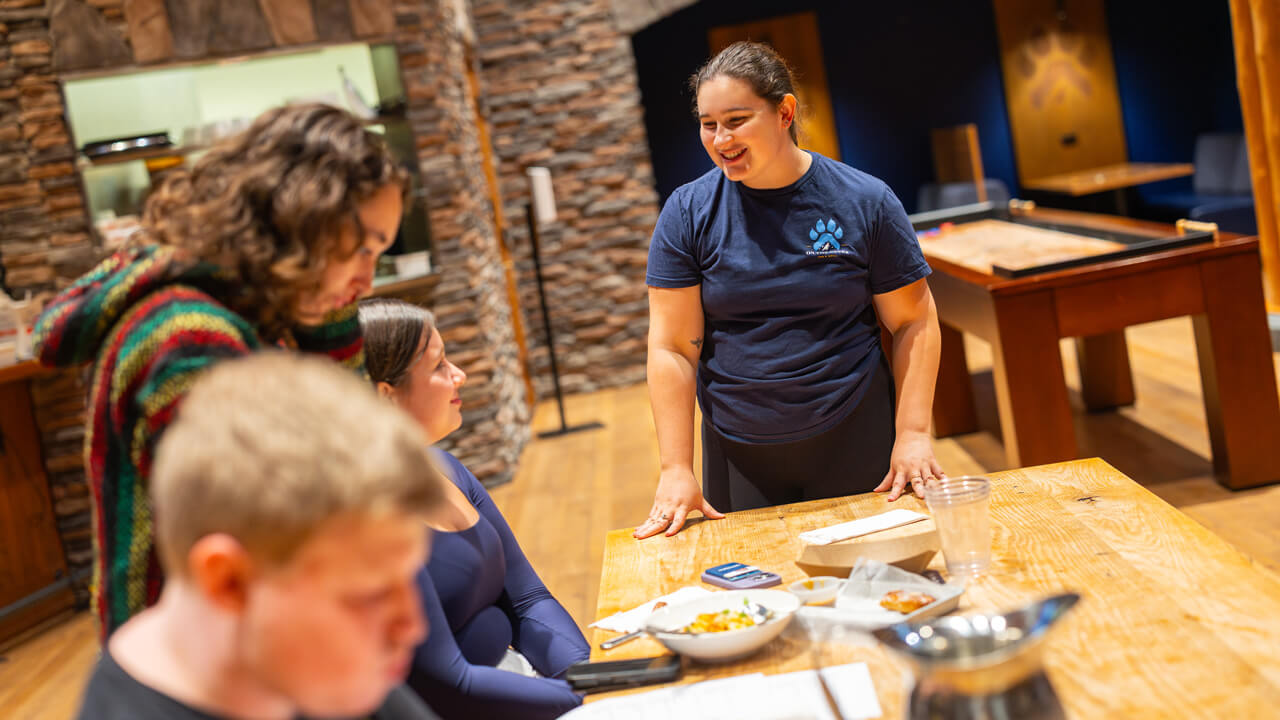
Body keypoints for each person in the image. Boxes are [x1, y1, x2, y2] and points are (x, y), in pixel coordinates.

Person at [32, 103, 408, 636]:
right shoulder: (191, 338)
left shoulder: (250, 309)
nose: (367, 280)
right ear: (305, 217)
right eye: (363, 249)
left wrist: (329, 299)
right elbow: (272, 535)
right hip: (195, 667)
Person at [636, 41, 944, 539]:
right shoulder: (687, 212)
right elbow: (672, 348)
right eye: (708, 123)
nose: (720, 138)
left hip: (856, 437)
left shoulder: (865, 201)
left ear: (785, 111)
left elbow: (914, 320)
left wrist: (912, 434)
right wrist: (676, 467)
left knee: (876, 593)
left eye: (736, 120)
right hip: (738, 451)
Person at [76, 353, 446, 719]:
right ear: (229, 583)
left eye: (408, 575)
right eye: (370, 594)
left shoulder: (308, 667)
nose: (413, 627)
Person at [358, 298, 589, 720]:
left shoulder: (445, 468)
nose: (459, 375)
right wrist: (579, 699)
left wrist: (589, 677)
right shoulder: (369, 518)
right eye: (440, 366)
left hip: (519, 686)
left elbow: (529, 599)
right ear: (387, 397)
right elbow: (449, 684)